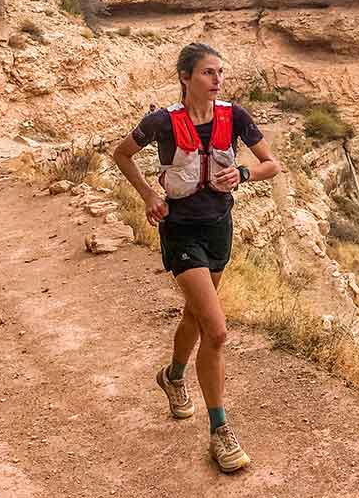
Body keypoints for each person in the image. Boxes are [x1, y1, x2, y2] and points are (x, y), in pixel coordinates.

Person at [112, 42, 281, 473]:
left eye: (219, 72)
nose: (217, 80)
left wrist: (243, 173)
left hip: (218, 229)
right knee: (218, 331)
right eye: (208, 72)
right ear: (186, 77)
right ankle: (220, 431)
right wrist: (149, 194)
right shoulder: (162, 123)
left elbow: (270, 165)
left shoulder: (235, 116)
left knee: (195, 317)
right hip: (181, 232)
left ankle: (171, 376)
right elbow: (121, 153)